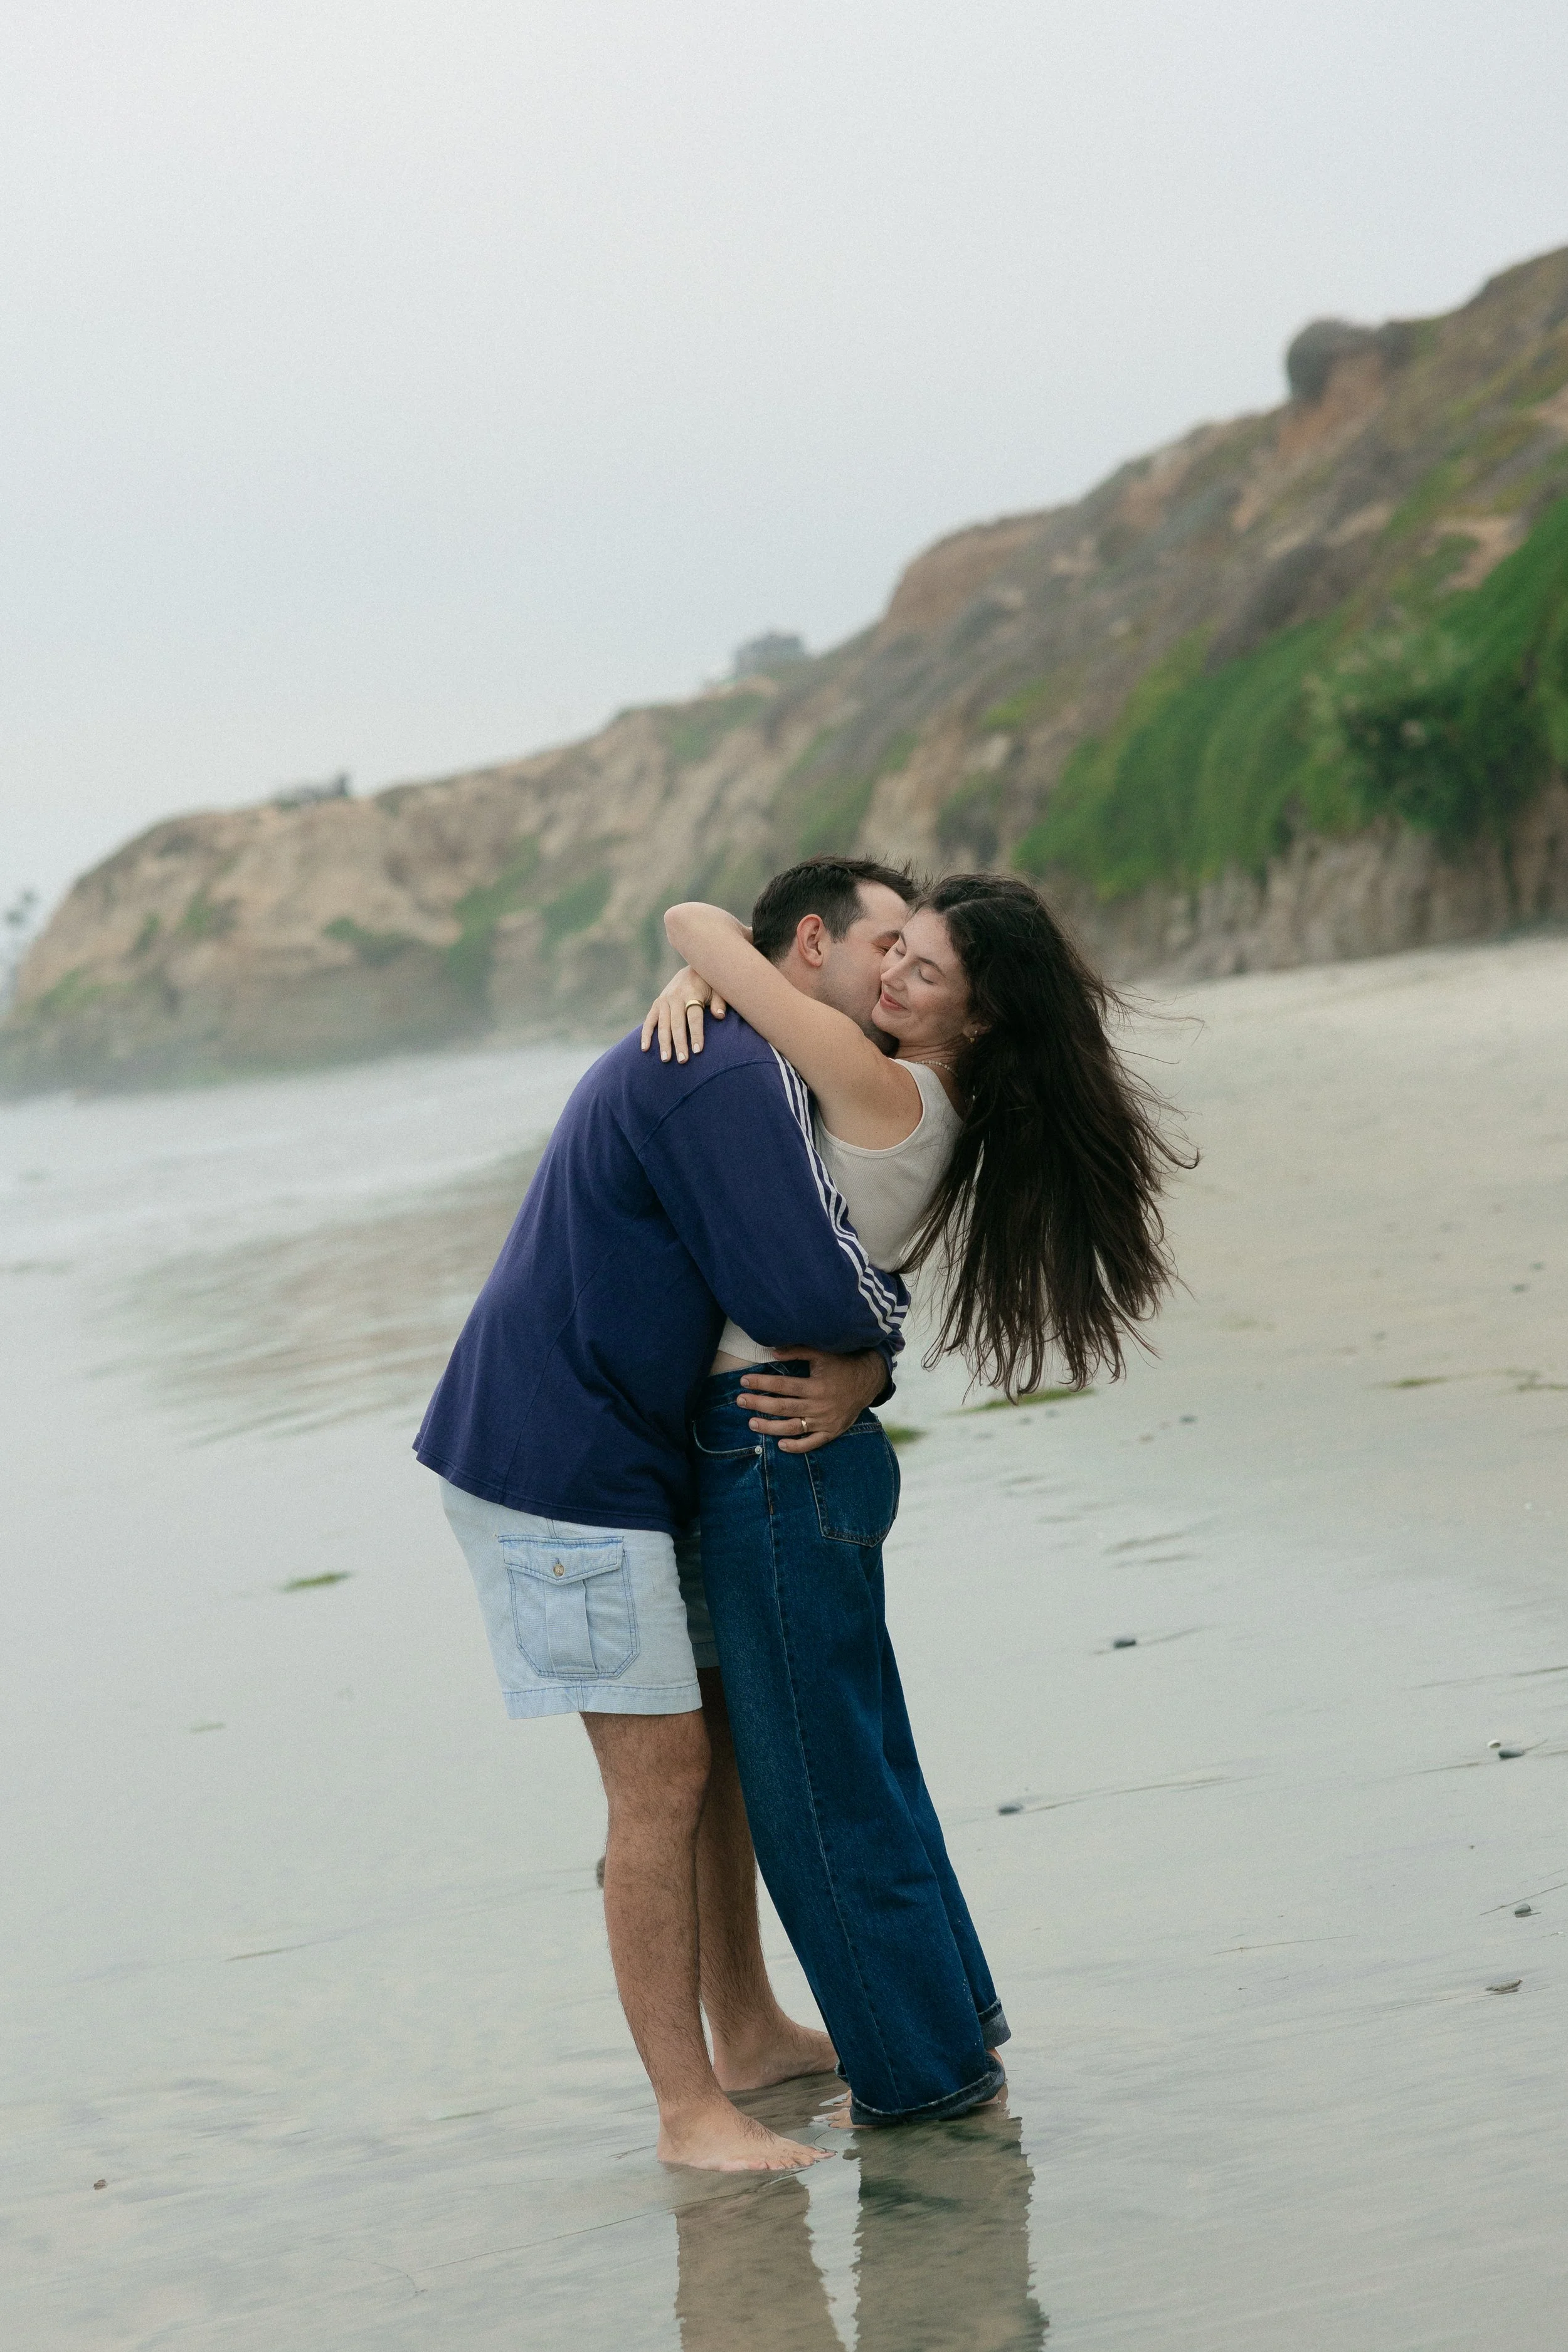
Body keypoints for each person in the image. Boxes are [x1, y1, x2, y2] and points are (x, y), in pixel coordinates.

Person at [641, 866, 1186, 2126]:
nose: (890, 975)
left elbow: (694, 924)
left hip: (772, 1463)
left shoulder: (877, 1080)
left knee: (821, 1805)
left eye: (921, 969)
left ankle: (930, 2085)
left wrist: (698, 966)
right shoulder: (928, 1092)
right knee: (867, 1776)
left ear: (974, 1019)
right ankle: (956, 2031)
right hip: (809, 1459)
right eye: (898, 951)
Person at [415, 858, 921, 2171]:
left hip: (625, 1460)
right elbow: (798, 1283)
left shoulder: (743, 1046)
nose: (899, 978)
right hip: (549, 1466)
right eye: (884, 949)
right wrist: (878, 1350)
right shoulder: (722, 1070)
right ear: (807, 947)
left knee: (717, 1757)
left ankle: (745, 2034)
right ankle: (684, 2111)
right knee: (658, 1782)